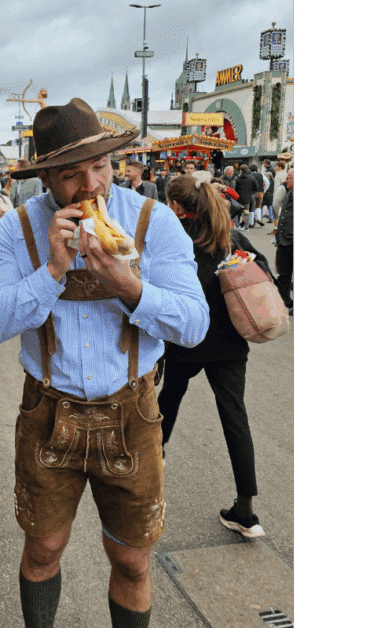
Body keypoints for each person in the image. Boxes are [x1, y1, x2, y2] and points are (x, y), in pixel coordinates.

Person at [0, 98, 209, 628]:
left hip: (132, 411)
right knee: (42, 551)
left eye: (100, 167)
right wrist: (53, 271)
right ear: (46, 180)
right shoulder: (20, 229)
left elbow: (195, 325)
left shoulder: (153, 222)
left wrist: (132, 289)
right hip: (47, 411)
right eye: (71, 175)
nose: (91, 186)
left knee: (131, 559)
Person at [157, 170, 275, 540]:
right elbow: (265, 275)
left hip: (186, 344)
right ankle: (247, 510)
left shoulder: (174, 242)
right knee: (235, 418)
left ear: (175, 205)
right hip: (230, 346)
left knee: (166, 404)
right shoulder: (231, 237)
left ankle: (147, 483)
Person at [275, 168, 294, 315]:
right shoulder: (289, 193)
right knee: (283, 274)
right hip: (283, 240)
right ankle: (285, 302)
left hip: (292, 240)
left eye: (289, 178)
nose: (286, 180)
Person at [233, 165, 257, 232]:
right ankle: (246, 227)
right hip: (247, 197)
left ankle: (237, 225)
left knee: (237, 211)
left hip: (238, 197)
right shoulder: (252, 178)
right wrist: (250, 192)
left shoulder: (237, 178)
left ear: (241, 170)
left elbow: (234, 187)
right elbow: (256, 188)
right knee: (246, 211)